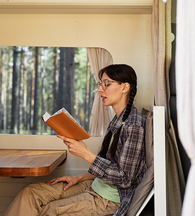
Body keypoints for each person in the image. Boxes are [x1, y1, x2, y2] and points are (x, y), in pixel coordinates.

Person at [4, 64, 147, 216]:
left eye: (107, 84)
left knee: (49, 210)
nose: (100, 90)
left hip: (109, 199)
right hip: (95, 184)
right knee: (31, 193)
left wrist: (86, 154)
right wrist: (79, 177)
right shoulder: (118, 120)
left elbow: (124, 178)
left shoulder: (134, 125)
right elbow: (111, 164)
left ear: (125, 87)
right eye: (100, 85)